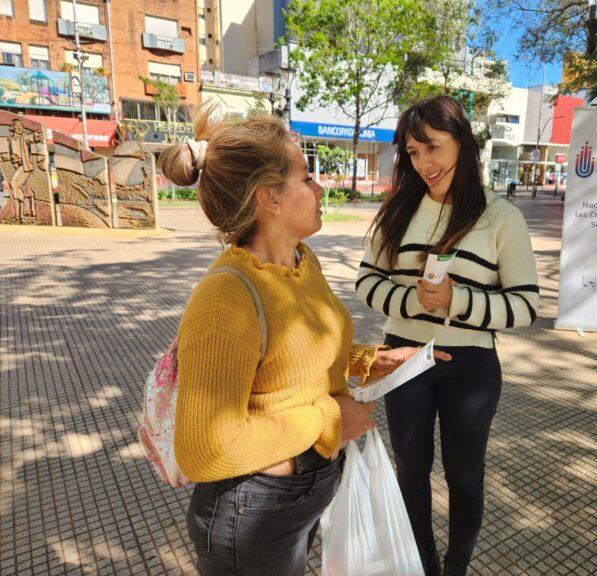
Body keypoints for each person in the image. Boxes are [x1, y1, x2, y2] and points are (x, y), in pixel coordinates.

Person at [159, 110, 448, 576]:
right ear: (269, 197)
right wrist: (330, 417)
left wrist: (365, 361)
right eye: (307, 178)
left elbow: (291, 359)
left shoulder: (301, 261)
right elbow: (203, 450)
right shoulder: (224, 298)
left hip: (300, 498)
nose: (320, 190)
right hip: (249, 517)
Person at [356, 95, 539, 576]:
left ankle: (456, 568)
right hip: (403, 359)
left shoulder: (501, 218)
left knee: (464, 477)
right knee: (410, 473)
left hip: (471, 366)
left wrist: (457, 303)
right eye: (413, 153)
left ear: (462, 142)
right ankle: (424, 566)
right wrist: (417, 302)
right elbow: (366, 282)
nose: (424, 163)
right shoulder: (396, 212)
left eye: (432, 148)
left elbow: (525, 305)